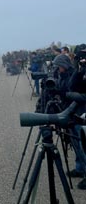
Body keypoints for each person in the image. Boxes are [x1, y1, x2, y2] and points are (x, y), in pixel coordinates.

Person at [53, 53, 86, 190]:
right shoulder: (67, 74)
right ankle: (80, 169)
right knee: (76, 145)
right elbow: (69, 88)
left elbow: (82, 96)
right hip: (70, 112)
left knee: (82, 146)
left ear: (64, 65)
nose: (58, 69)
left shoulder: (74, 74)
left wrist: (64, 93)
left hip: (80, 113)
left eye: (59, 66)